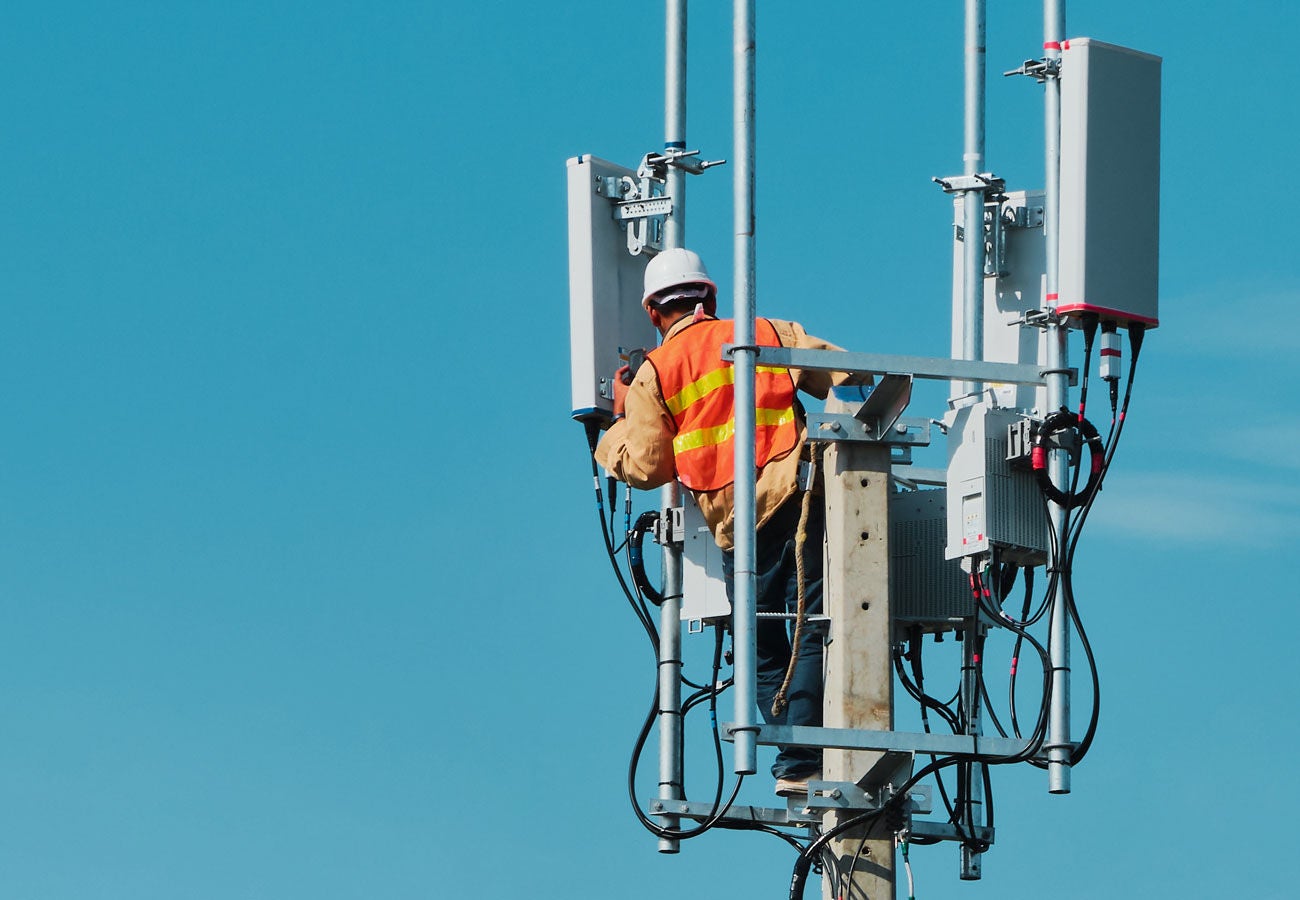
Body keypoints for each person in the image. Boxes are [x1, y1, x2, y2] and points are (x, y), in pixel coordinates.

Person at [595, 247, 859, 797]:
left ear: (652, 312)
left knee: (763, 643)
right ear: (709, 297)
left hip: (737, 522)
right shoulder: (764, 331)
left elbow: (646, 465)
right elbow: (851, 376)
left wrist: (618, 420)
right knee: (810, 624)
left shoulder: (654, 373)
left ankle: (797, 760)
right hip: (798, 497)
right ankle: (801, 758)